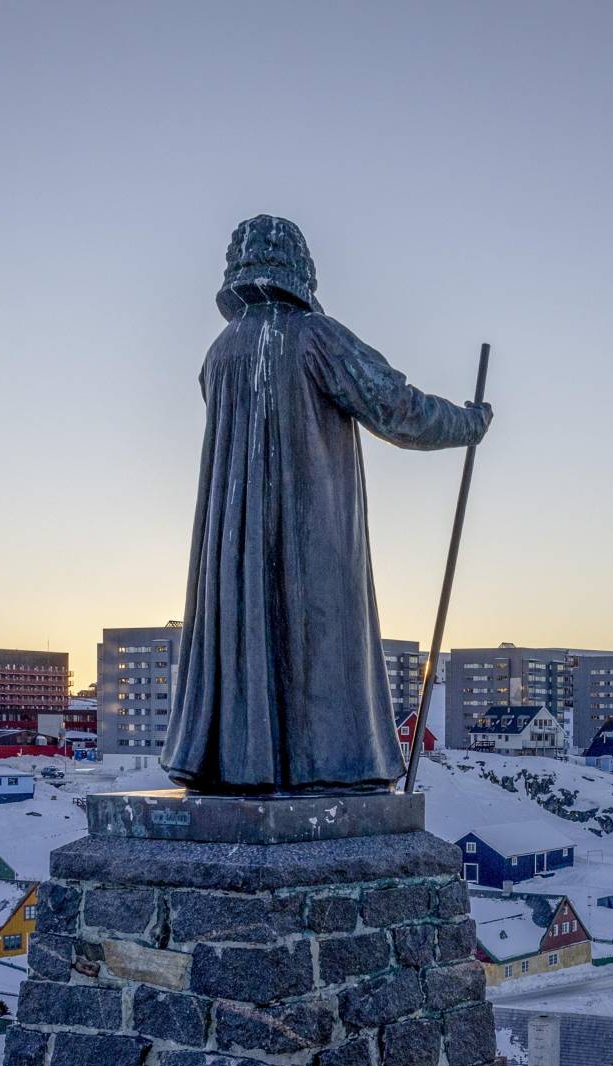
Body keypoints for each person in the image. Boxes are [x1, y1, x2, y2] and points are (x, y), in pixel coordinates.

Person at [163, 215, 491, 796]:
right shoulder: (313, 335)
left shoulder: (220, 352)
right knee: (318, 640)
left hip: (234, 545)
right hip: (308, 526)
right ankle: (329, 764)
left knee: (253, 636)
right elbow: (396, 407)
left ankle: (246, 764)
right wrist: (468, 423)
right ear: (299, 267)